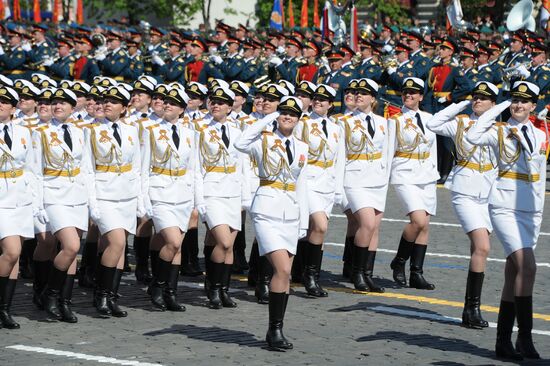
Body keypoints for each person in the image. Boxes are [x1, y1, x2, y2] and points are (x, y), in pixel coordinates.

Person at [466, 81, 546, 361]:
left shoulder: (540, 133)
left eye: (525, 102)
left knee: (515, 272)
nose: (519, 105)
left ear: (534, 106)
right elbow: (473, 135)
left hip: (529, 210)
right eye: (515, 100)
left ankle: (503, 342)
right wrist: (500, 105)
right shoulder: (499, 131)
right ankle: (525, 337)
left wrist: (539, 210)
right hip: (504, 206)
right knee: (528, 266)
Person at [234, 96, 309, 352]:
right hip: (266, 209)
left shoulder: (302, 147)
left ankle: (275, 328)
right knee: (283, 270)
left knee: (284, 275)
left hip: (290, 212)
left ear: (299, 119)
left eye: (293, 113)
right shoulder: (262, 139)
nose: (288, 116)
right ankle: (274, 330)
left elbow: (303, 185)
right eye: (284, 112)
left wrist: (304, 220)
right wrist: (267, 118)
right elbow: (240, 142)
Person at [427, 81, 499, 328]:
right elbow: (433, 123)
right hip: (465, 192)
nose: (478, 101)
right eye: (475, 97)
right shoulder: (460, 123)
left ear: (493, 104)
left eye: (483, 98)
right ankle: (473, 308)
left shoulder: (498, 128)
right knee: (483, 246)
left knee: (478, 251)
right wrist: (462, 104)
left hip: (489, 194)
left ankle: (469, 310)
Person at [31, 88, 92, 323]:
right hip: (53, 195)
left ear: (72, 107)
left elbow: (85, 167)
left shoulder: (80, 132)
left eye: (63, 103)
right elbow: (35, 171)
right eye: (54, 103)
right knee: (71, 246)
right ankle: (49, 293)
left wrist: (90, 200)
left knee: (71, 253)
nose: (57, 107)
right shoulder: (41, 133)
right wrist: (38, 205)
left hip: (77, 196)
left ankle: (64, 302)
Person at [88, 85, 143, 317]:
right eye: (105, 99)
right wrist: (93, 204)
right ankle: (100, 294)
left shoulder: (131, 130)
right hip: (105, 193)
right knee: (117, 243)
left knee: (119, 249)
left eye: (113, 100)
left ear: (124, 107)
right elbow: (88, 170)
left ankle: (111, 296)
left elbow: (138, 166)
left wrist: (140, 199)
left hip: (127, 195)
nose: (107, 103)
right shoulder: (90, 131)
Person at [194, 85, 249, 309]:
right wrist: (199, 200)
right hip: (212, 190)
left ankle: (223, 289)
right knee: (223, 241)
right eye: (212, 101)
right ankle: (213, 288)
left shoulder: (238, 131)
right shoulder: (199, 129)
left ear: (229, 106)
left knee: (229, 246)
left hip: (233, 192)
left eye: (221, 102)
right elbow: (196, 167)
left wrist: (245, 197)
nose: (215, 105)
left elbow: (244, 166)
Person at [141, 87, 194, 312]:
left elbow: (194, 169)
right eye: (166, 102)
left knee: (177, 247)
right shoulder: (150, 130)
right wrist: (143, 200)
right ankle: (157, 285)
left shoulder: (191, 133)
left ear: (182, 109)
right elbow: (143, 168)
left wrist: (196, 201)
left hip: (183, 194)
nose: (167, 105)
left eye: (173, 103)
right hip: (160, 191)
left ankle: (170, 293)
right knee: (172, 241)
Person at [342, 78, 394, 292]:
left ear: (373, 98)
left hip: (377, 180)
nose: (359, 96)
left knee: (375, 227)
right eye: (357, 93)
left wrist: (386, 177)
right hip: (354, 179)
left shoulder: (384, 122)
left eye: (364, 93)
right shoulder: (344, 121)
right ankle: (357, 273)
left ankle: (367, 273)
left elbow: (388, 153)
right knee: (367, 224)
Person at [293, 84, 344, 297]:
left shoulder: (336, 128)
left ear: (331, 104)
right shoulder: (303, 123)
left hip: (327, 183)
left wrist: (338, 188)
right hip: (308, 181)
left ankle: (300, 269)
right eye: (316, 99)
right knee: (319, 227)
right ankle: (311, 276)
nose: (318, 102)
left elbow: (340, 159)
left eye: (324, 100)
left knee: (311, 230)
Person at [389, 77, 438, 290]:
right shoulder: (394, 119)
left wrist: (435, 172)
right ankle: (399, 261)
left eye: (413, 92)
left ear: (421, 96)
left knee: (425, 225)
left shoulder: (430, 118)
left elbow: (433, 147)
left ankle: (417, 272)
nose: (408, 95)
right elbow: (389, 149)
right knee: (417, 221)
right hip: (404, 172)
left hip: (427, 173)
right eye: (405, 92)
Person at [0, 86, 34, 329]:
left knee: (15, 258)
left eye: (4, 102)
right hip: (0, 197)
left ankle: (4, 309)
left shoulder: (23, 132)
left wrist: (34, 200)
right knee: (10, 252)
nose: (0, 105)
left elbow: (31, 167)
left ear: (13, 108)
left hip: (20, 198)